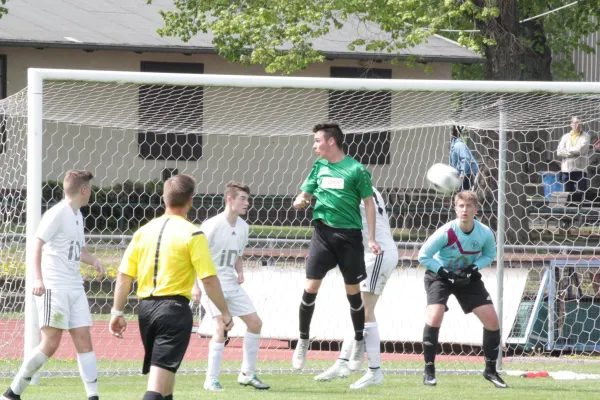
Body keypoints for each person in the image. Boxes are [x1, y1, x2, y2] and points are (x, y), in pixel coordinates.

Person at [108, 174, 233, 400]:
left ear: (164, 199)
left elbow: (124, 276)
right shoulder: (193, 233)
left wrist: (117, 312)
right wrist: (225, 312)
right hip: (173, 312)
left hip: (146, 311)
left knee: (165, 386)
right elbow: (209, 279)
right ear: (191, 201)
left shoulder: (142, 232)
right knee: (156, 386)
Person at [2, 170, 105, 400]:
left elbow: (77, 249)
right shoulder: (57, 213)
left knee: (84, 339)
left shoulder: (78, 215)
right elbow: (36, 245)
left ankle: (93, 396)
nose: (91, 193)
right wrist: (38, 279)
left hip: (75, 287)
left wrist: (94, 260)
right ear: (84, 190)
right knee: (51, 343)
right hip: (54, 286)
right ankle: (12, 393)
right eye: (90, 188)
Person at [292, 122, 382, 372]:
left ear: (331, 141)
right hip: (322, 234)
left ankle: (359, 342)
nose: (314, 146)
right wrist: (301, 200)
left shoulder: (357, 169)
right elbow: (305, 194)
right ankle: (303, 339)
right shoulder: (319, 166)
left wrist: (371, 238)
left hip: (349, 237)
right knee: (310, 288)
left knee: (353, 293)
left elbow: (369, 203)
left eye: (317, 141)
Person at [418, 190, 507, 389]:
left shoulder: (484, 233)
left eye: (468, 206)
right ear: (455, 208)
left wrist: (472, 268)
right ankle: (429, 370)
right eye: (461, 206)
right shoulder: (446, 232)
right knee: (434, 316)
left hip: (467, 276)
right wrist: (445, 273)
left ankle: (491, 371)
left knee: (492, 320)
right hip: (440, 275)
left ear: (476, 209)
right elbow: (423, 256)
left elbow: (489, 254)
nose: (464, 210)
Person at [314, 187, 398, 389]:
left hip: (377, 254)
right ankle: (343, 362)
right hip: (370, 254)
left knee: (365, 312)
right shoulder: (365, 187)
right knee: (358, 310)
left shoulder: (352, 189)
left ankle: (375, 371)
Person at [193, 181, 270, 391]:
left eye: (248, 199)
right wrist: (195, 286)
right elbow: (195, 257)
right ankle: (211, 380)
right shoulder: (211, 225)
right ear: (230, 199)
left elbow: (237, 254)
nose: (247, 203)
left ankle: (247, 374)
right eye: (242, 199)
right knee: (221, 327)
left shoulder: (244, 227)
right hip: (211, 282)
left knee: (255, 323)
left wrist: (240, 270)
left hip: (231, 282)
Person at [557, 116, 591, 202]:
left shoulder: (585, 136)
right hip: (566, 169)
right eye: (575, 122)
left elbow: (580, 150)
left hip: (580, 169)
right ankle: (569, 212)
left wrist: (566, 152)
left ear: (582, 124)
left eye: (579, 122)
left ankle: (581, 212)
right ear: (571, 124)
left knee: (581, 193)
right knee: (567, 194)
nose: (577, 125)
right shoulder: (565, 137)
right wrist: (572, 152)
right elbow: (559, 152)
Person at [449, 125, 480, 191]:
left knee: (466, 197)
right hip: (461, 175)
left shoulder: (459, 145)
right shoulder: (453, 145)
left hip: (468, 174)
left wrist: (462, 174)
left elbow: (466, 159)